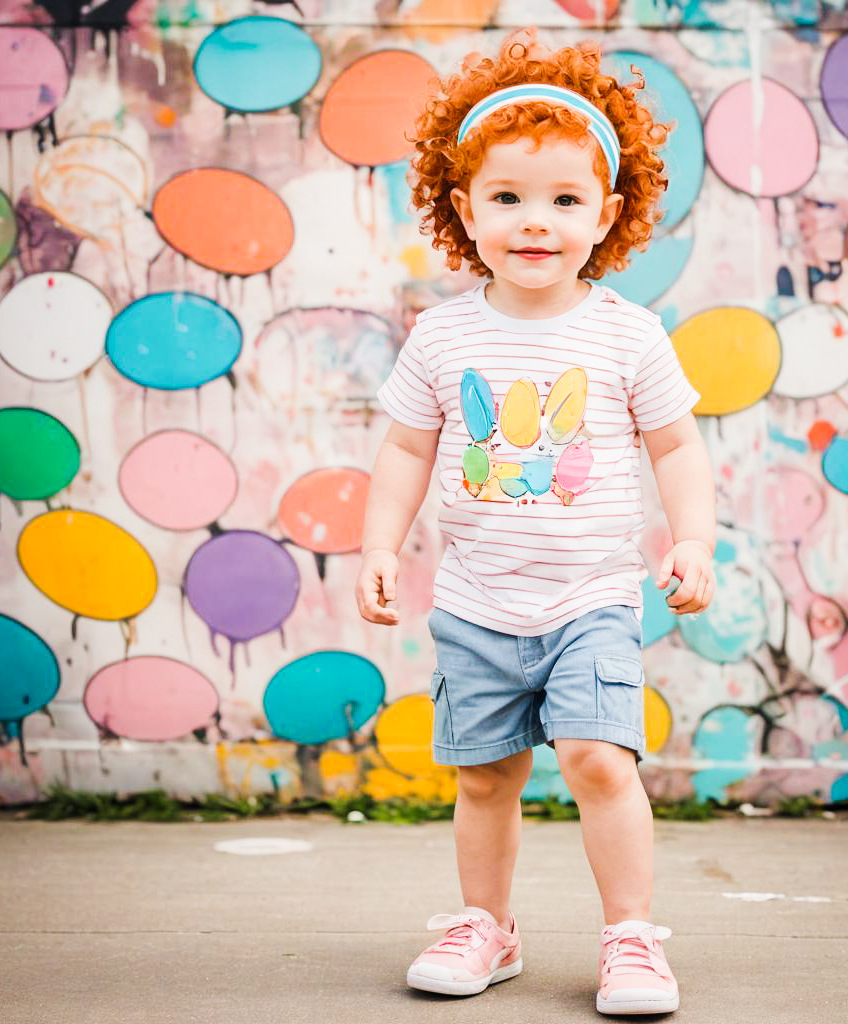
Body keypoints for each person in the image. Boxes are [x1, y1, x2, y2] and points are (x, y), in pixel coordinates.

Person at [354, 31, 716, 1017]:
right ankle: (488, 926)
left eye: (564, 201)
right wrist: (380, 545)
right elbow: (403, 451)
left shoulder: (624, 334)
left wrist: (690, 540)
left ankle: (631, 937)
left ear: (607, 212)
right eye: (507, 199)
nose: (535, 223)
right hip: (476, 604)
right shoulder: (441, 334)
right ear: (464, 210)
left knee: (599, 758)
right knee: (485, 777)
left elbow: (678, 448)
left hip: (590, 597)